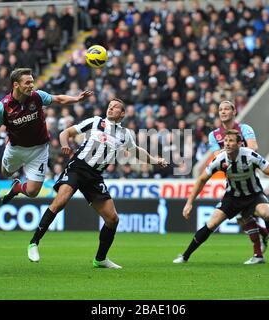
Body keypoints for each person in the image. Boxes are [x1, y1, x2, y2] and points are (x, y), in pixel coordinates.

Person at [27, 98, 168, 268]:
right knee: (61, 201)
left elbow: (136, 151)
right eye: (109, 106)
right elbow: (66, 133)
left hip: (95, 176)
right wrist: (65, 145)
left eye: (115, 107)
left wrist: (155, 160)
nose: (111, 108)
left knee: (112, 219)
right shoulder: (95, 122)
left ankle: (100, 259)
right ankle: (34, 243)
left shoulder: (125, 135)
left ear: (122, 113)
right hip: (78, 168)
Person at [0, 68, 93, 203]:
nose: (31, 85)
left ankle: (17, 187)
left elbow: (59, 99)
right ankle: (14, 170)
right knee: (6, 173)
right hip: (16, 149)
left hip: (39, 150)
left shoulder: (37, 96)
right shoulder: (2, 107)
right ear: (16, 85)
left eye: (32, 82)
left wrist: (76, 99)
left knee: (33, 192)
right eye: (27, 83)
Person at [174, 129, 269, 264]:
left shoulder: (250, 155)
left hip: (254, 195)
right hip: (232, 197)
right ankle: (185, 256)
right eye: (226, 141)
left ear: (239, 144)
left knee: (267, 213)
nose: (227, 144)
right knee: (212, 223)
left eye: (231, 141)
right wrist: (189, 203)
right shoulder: (220, 160)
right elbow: (201, 180)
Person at [208, 100, 269, 263]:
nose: (223, 112)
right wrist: (230, 150)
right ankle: (263, 237)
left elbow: (253, 148)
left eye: (226, 109)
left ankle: (259, 250)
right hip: (233, 182)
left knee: (245, 216)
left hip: (250, 178)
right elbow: (218, 157)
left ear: (234, 111)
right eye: (220, 109)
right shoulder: (214, 135)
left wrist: (231, 150)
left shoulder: (244, 129)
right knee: (242, 219)